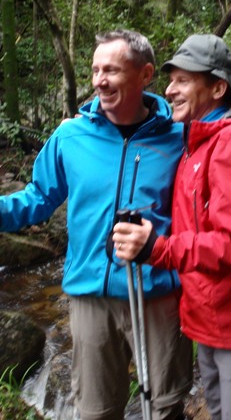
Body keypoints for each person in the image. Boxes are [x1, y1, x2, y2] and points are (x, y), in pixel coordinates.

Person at [0, 29, 192, 420]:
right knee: (95, 410)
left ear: (145, 74)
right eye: (95, 70)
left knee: (166, 406)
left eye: (112, 70)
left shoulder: (179, 137)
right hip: (91, 294)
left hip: (156, 292)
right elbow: (37, 199)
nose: (99, 81)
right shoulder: (70, 135)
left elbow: (201, 203)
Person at [114, 34, 231, 420]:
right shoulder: (199, 141)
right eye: (170, 80)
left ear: (218, 88)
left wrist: (156, 249)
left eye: (182, 81)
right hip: (212, 318)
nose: (170, 90)